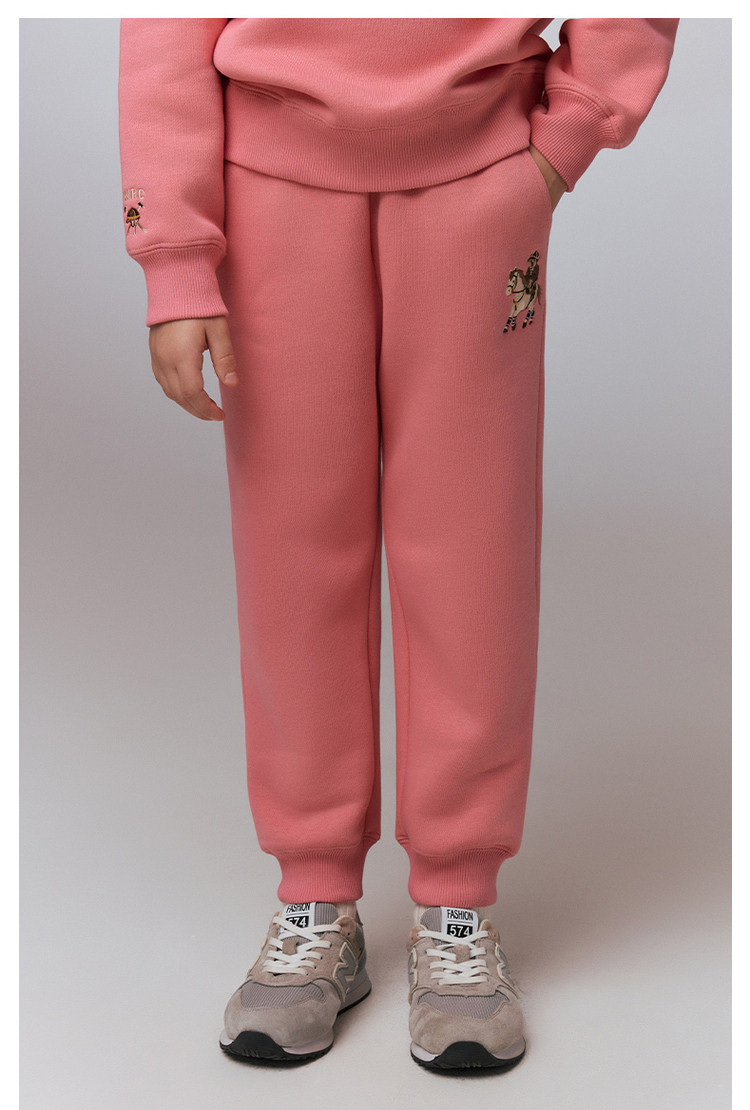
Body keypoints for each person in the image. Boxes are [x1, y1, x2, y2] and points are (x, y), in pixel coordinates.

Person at [118, 16, 679, 1073]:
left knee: (474, 552)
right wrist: (177, 253)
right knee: (292, 553)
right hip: (267, 189)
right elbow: (162, 28)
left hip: (480, 181)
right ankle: (315, 897)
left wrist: (567, 137)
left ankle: (458, 904)